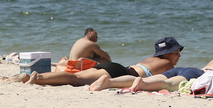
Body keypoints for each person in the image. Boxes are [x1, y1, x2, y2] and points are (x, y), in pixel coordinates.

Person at [88, 31, 213, 92]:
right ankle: (142, 85)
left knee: (148, 78)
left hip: (187, 69)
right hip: (195, 74)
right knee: (168, 85)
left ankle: (109, 82)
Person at [12, 37, 184, 87]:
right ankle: (39, 79)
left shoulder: (151, 59)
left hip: (116, 68)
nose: (179, 56)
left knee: (77, 76)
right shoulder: (167, 65)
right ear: (167, 54)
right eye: (176, 52)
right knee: (76, 80)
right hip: (121, 73)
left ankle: (32, 76)